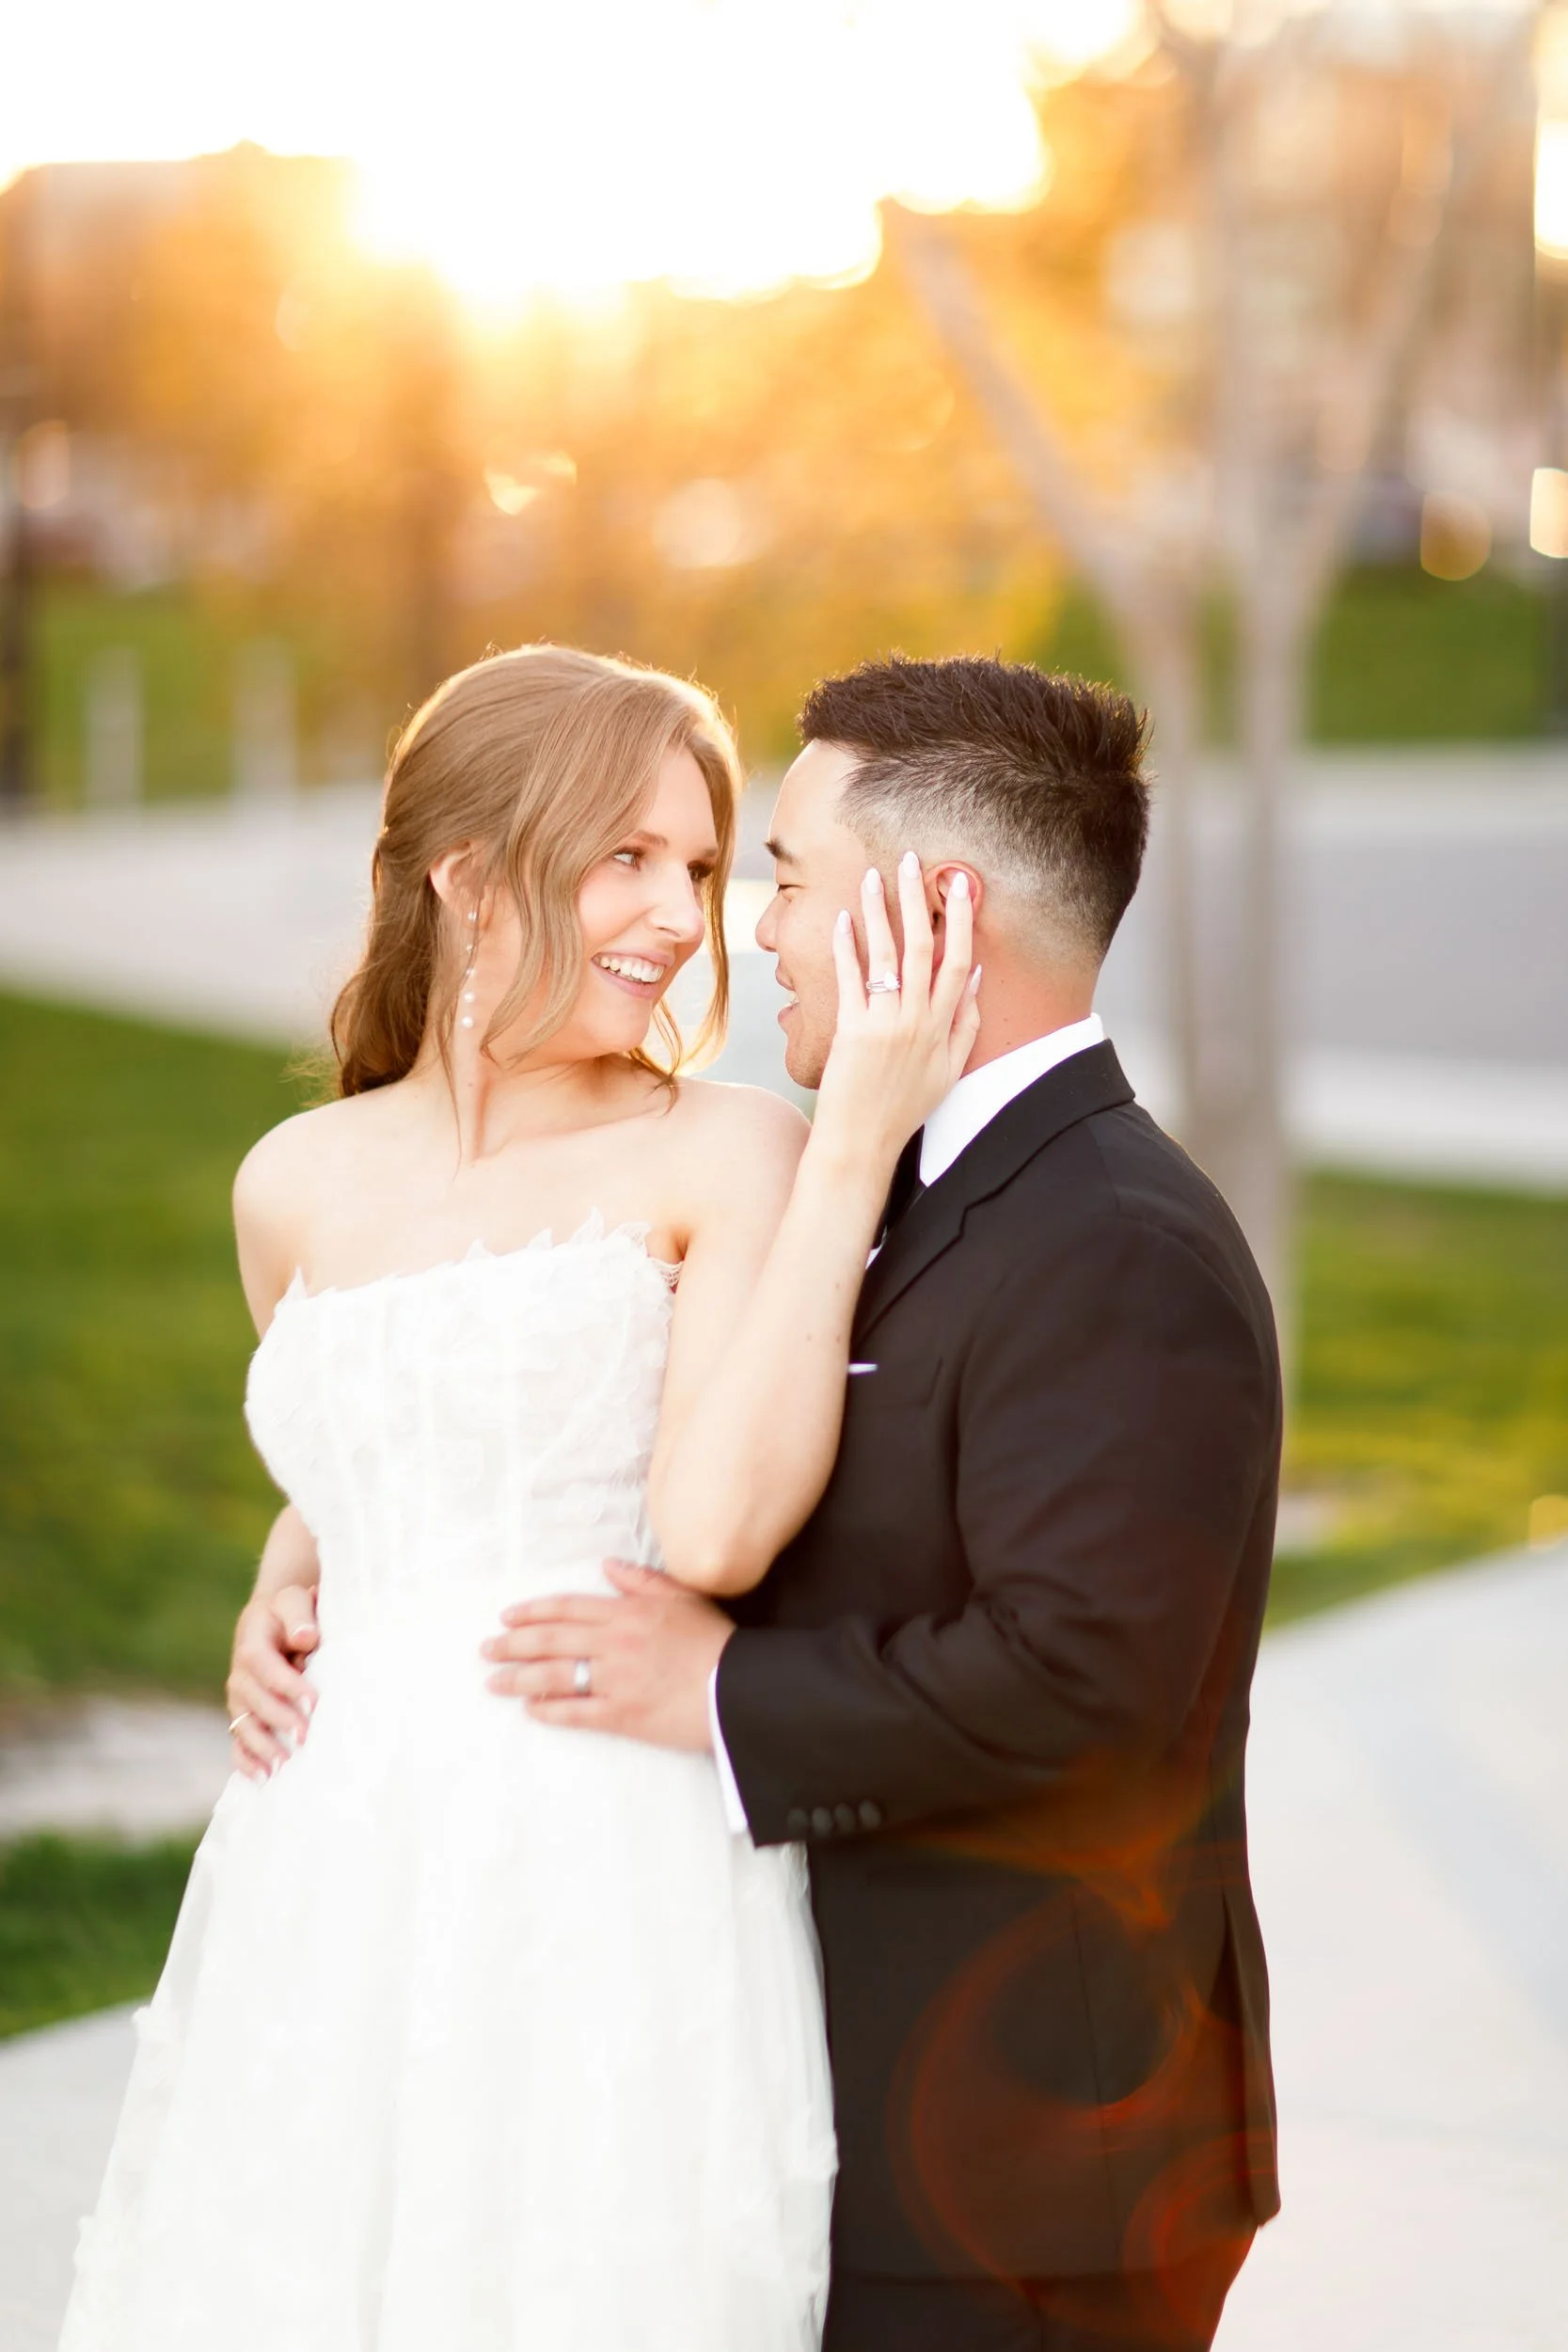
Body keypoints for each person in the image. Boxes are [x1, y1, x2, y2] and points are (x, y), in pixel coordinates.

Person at [60, 643, 980, 2352]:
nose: (676, 912)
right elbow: (366, 1444)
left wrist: (850, 1144)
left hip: (597, 1848)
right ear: (468, 874)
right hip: (328, 1858)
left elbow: (713, 1531)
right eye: (623, 856)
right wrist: (289, 1570)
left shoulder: (728, 1149)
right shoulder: (294, 1184)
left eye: (702, 868)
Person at [486, 655, 1284, 2352]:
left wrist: (708, 1690)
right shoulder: (923, 1186)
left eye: (782, 877)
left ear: (932, 911)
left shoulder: (1114, 1244)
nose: (750, 931)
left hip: (1032, 2173)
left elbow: (1078, 1683)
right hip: (885, 2128)